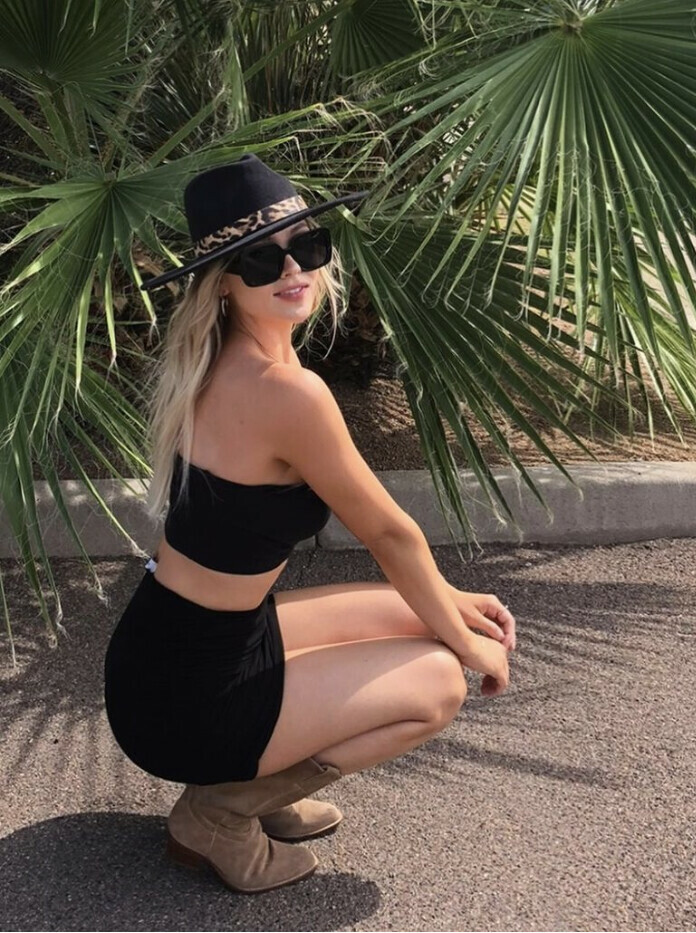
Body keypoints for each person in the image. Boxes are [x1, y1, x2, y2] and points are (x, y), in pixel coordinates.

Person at [104, 153, 516, 895]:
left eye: (307, 245)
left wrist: (450, 601)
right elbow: (388, 533)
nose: (293, 269)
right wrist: (464, 641)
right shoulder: (287, 393)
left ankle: (252, 779)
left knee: (417, 614)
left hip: (170, 650)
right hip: (188, 697)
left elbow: (395, 553)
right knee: (438, 682)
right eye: (262, 259)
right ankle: (222, 809)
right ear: (222, 283)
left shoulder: (219, 361)